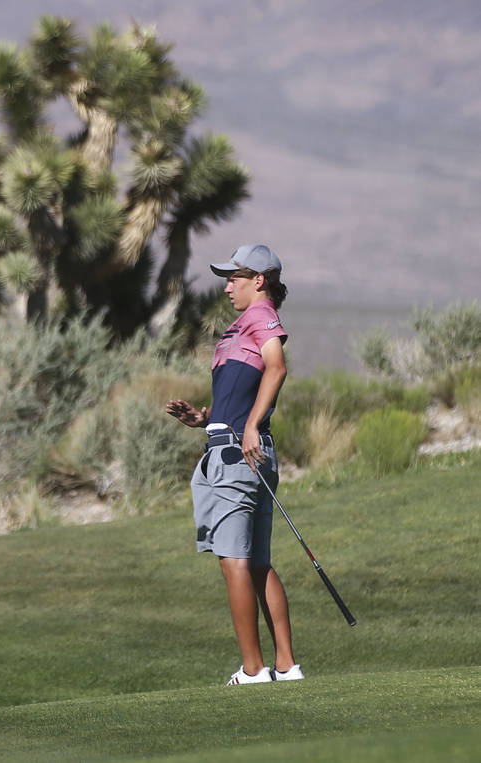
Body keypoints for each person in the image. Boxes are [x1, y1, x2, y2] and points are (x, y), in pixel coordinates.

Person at [165, 244, 303, 685]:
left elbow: (276, 369)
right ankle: (285, 666)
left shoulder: (261, 315)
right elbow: (240, 391)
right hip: (242, 447)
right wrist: (205, 418)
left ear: (258, 280)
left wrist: (250, 425)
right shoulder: (243, 325)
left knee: (235, 560)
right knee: (257, 561)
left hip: (236, 456)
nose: (227, 287)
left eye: (235, 278)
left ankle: (253, 670)